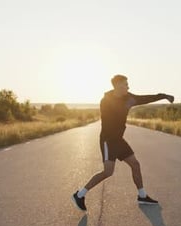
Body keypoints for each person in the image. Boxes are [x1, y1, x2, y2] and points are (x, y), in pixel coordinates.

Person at [72, 74, 174, 211]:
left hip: (119, 140)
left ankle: (142, 195)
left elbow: (145, 98)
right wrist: (127, 104)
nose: (128, 86)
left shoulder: (129, 98)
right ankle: (80, 195)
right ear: (117, 85)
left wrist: (163, 95)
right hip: (108, 140)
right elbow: (113, 113)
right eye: (125, 84)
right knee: (108, 172)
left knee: (135, 164)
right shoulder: (106, 101)